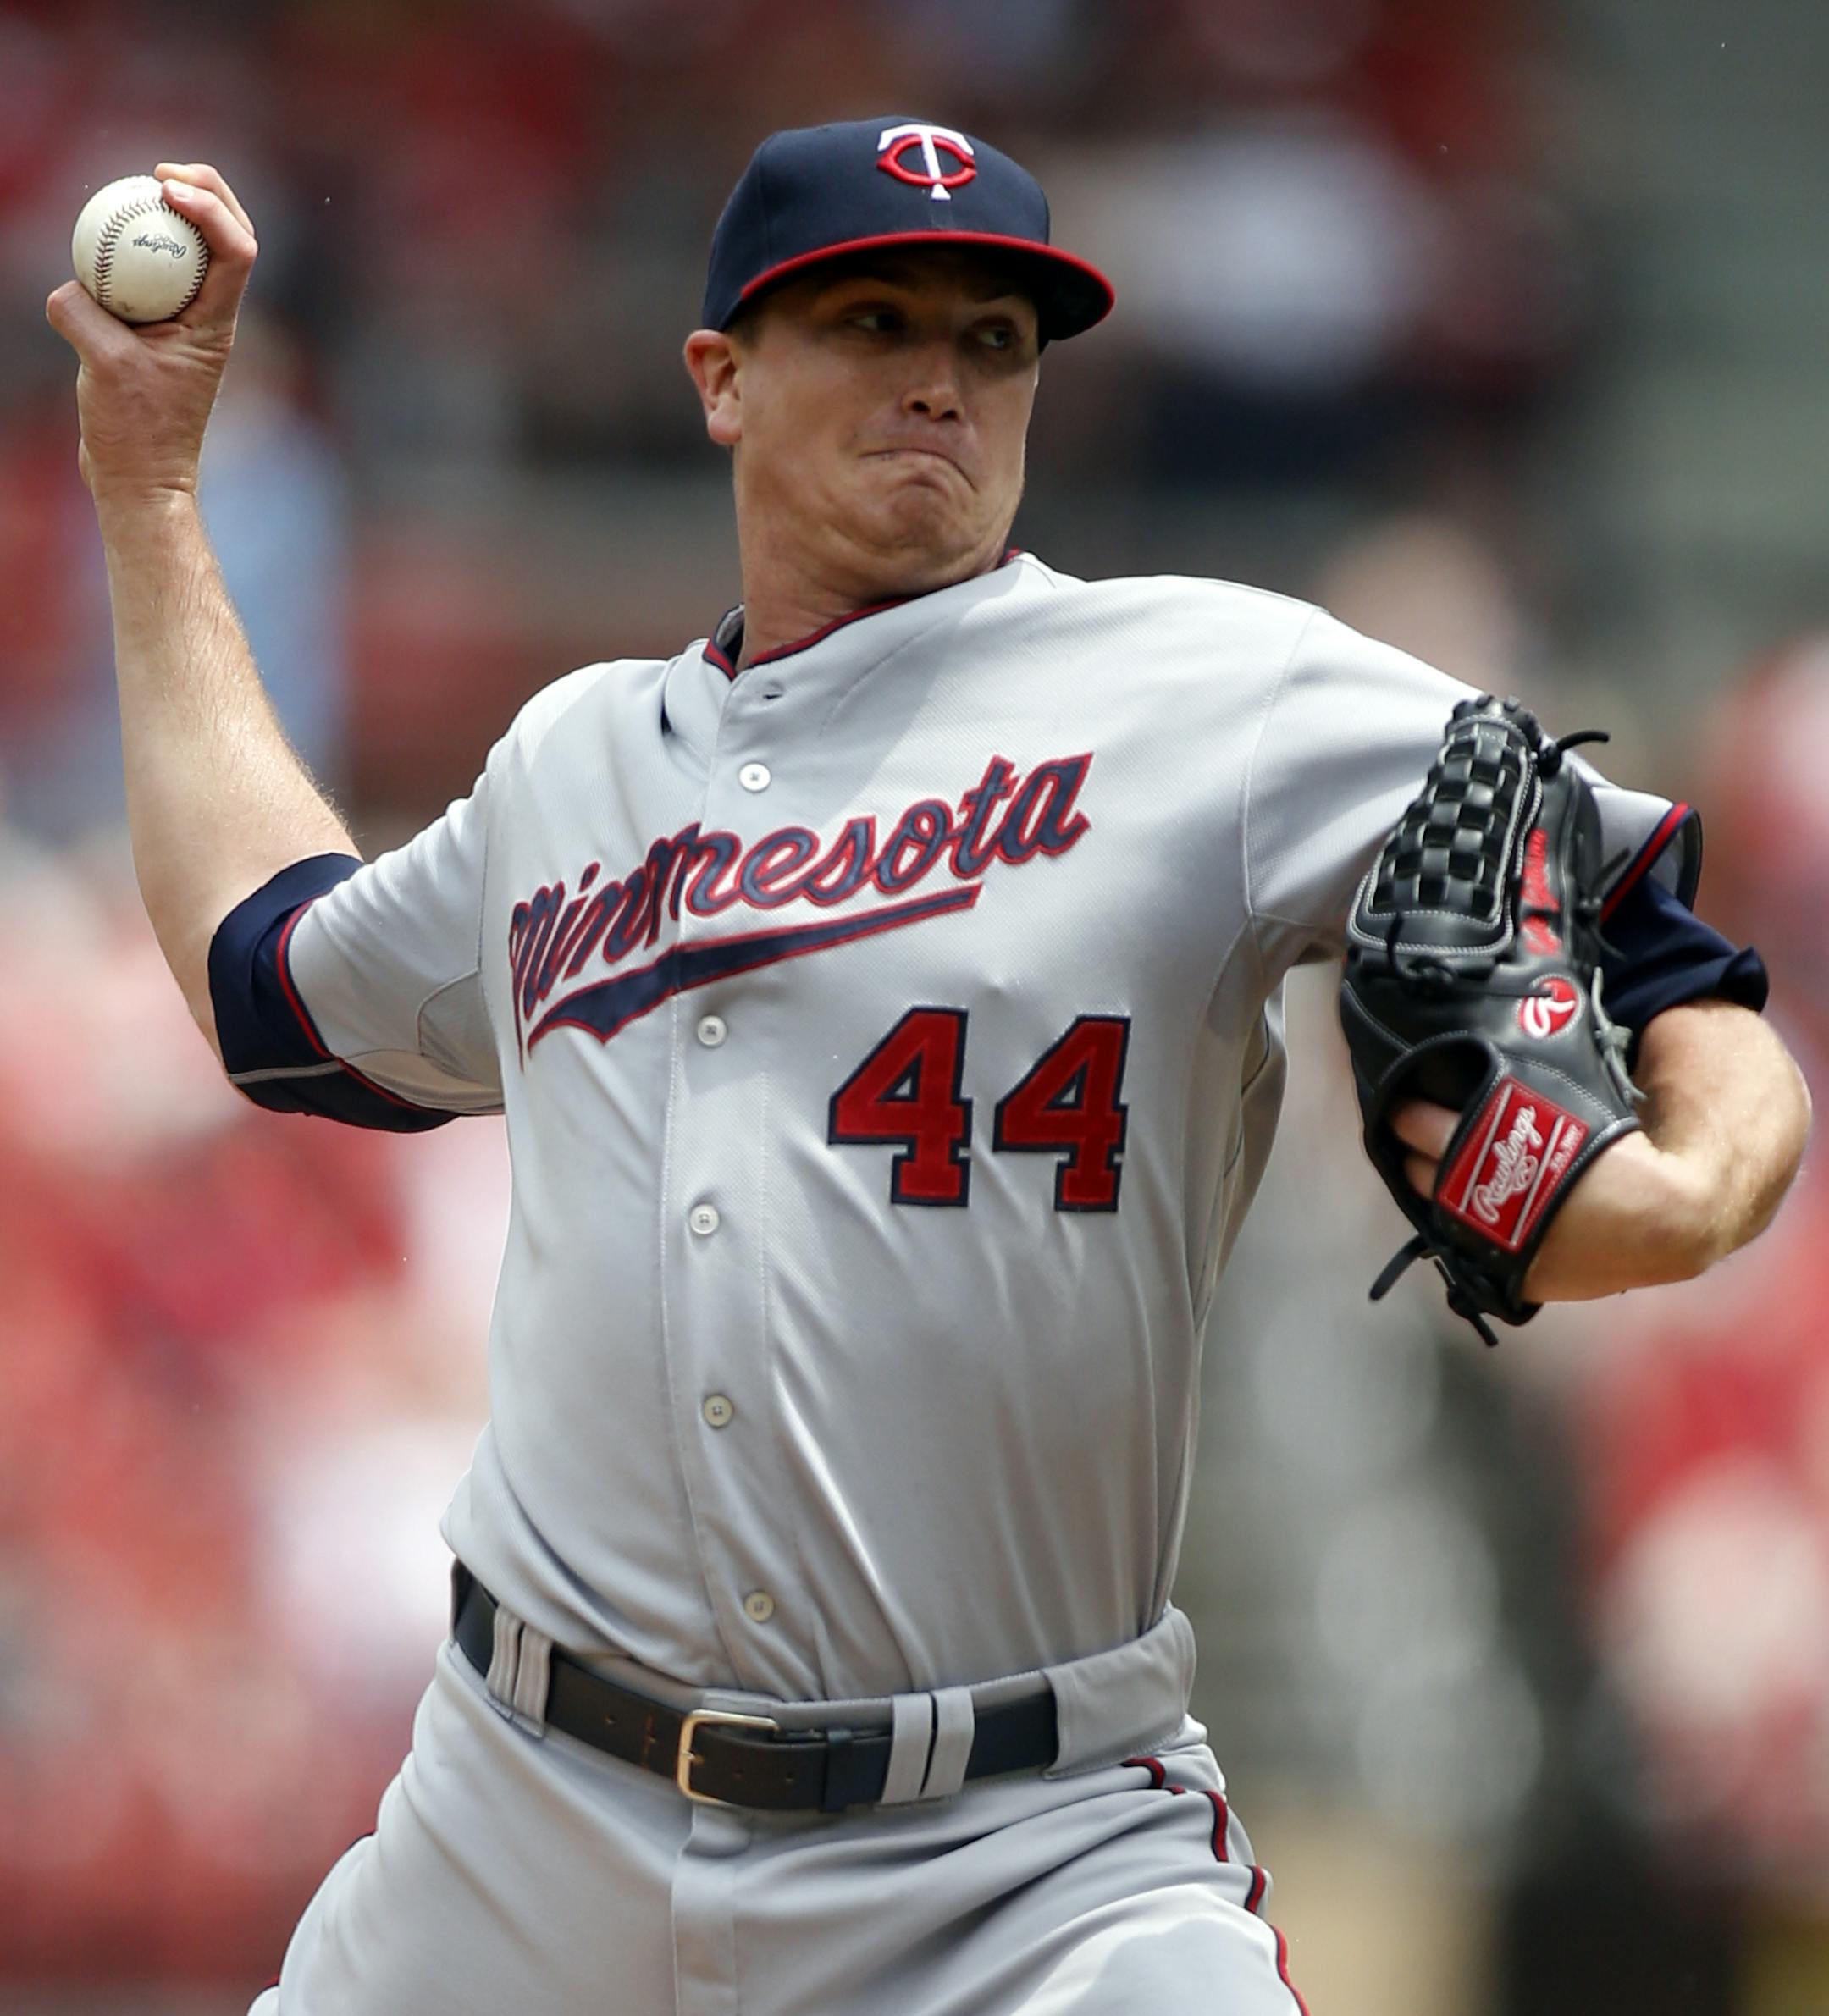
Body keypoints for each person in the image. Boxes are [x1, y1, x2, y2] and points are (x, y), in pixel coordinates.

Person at [47, 120, 1808, 2016]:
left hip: (1026, 1855)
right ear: (721, 376)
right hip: (521, 1830)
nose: (939, 380)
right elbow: (270, 977)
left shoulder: (1213, 696)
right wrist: (149, 489)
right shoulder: (570, 765)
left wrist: (1705, 1175)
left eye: (992, 341)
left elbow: (1654, 915)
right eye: (874, 320)